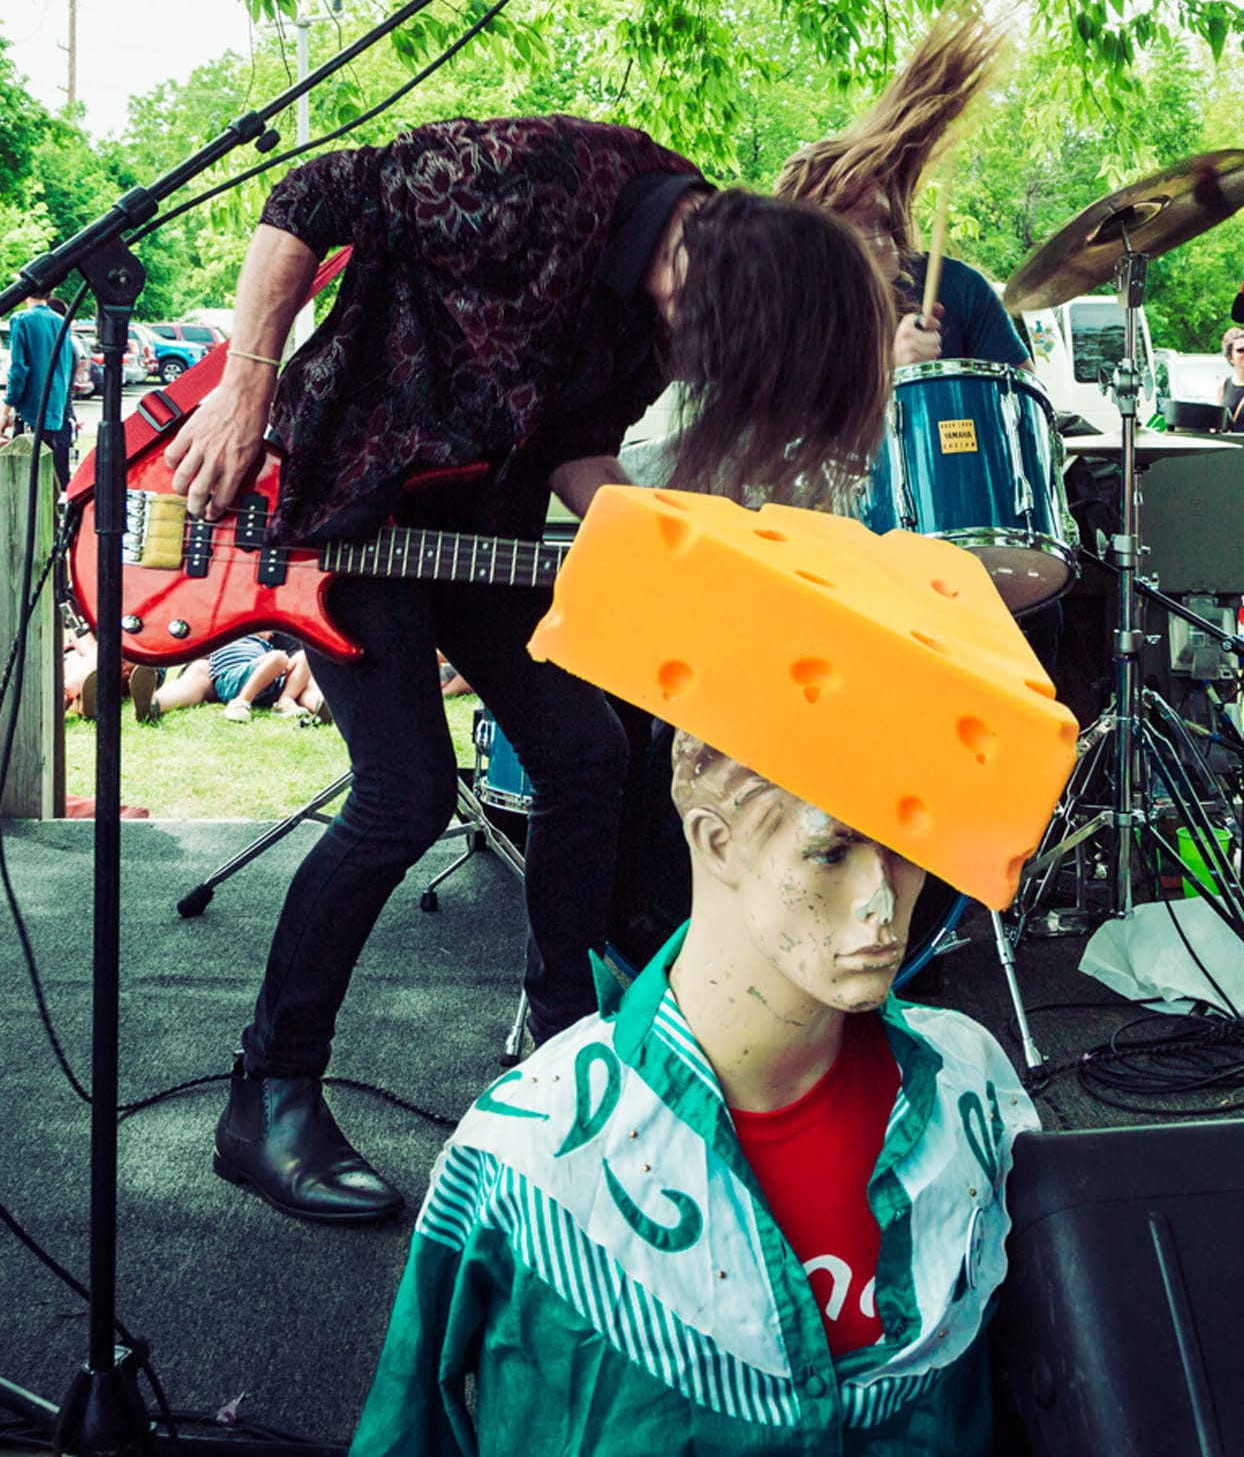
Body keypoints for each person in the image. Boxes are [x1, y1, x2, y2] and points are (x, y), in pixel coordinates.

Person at [159, 115, 893, 1225]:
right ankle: (268, 1092)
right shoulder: (547, 177)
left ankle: (564, 1064)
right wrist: (247, 383)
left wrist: (688, 553)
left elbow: (571, 454)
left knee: (587, 755)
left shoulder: (650, 322)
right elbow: (310, 194)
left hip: (472, 531)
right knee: (403, 795)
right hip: (344, 506)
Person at [351, 506, 1040, 1455]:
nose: (883, 907)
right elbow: (408, 1427)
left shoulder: (974, 1092)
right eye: (833, 853)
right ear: (714, 840)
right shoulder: (534, 1152)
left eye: (906, 849)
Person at [776, 1, 1028, 372]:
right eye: (851, 225)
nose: (880, 242)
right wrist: (894, 371)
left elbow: (1026, 395)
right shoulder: (786, 323)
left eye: (878, 221)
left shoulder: (959, 287)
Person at [5, 301, 79, 485]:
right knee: (50, 473)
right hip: (56, 411)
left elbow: (18, 370)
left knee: (24, 475)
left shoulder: (22, 319)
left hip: (31, 411)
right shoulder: (62, 324)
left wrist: (7, 408)